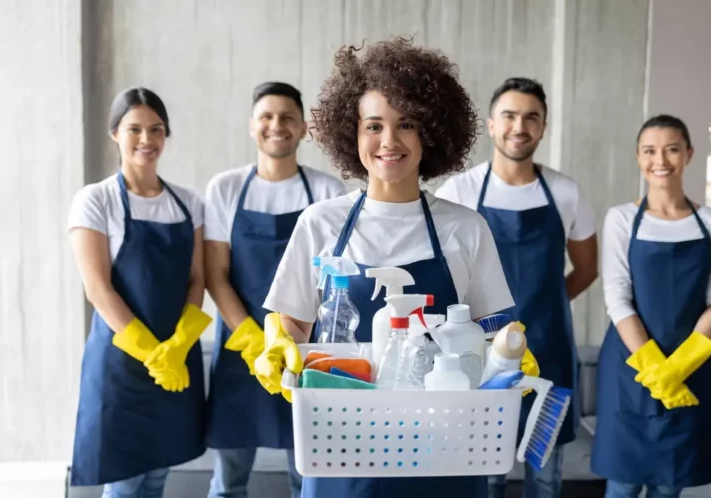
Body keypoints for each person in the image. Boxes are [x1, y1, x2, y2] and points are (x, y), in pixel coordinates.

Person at [252, 38, 538, 498]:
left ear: (431, 132)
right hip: (341, 447)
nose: (389, 141)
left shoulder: (465, 227)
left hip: (447, 451)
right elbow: (294, 322)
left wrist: (509, 350)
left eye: (406, 123)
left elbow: (492, 324)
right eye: (373, 125)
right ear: (352, 133)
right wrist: (276, 338)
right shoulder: (319, 222)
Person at [436, 77, 599, 498]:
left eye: (531, 117)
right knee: (485, 465)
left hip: (550, 348)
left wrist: (544, 307)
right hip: (482, 352)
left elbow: (585, 269)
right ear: (492, 125)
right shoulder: (461, 191)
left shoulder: (567, 192)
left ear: (542, 128)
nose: (519, 126)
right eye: (509, 115)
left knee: (544, 468)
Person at [203, 82, 346, 498]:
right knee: (229, 479)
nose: (276, 125)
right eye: (266, 117)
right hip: (241, 348)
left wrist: (289, 339)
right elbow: (216, 273)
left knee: (308, 473)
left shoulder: (326, 192)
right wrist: (251, 339)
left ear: (303, 128)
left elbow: (330, 278)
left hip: (303, 347)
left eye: (287, 118)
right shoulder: (225, 189)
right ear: (252, 126)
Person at [68, 87, 211, 497]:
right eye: (135, 129)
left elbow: (196, 280)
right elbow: (97, 287)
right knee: (126, 482)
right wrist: (152, 353)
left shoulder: (188, 203)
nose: (146, 140)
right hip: (122, 364)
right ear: (115, 133)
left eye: (156, 129)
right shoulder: (95, 201)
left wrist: (179, 346)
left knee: (157, 476)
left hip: (177, 360)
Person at [591, 115, 711, 498]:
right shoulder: (621, 219)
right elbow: (617, 299)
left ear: (688, 154)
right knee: (622, 482)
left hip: (693, 366)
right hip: (631, 367)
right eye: (650, 150)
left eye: (671, 149)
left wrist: (678, 368)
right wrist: (656, 369)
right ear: (638, 157)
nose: (661, 160)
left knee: (670, 485)